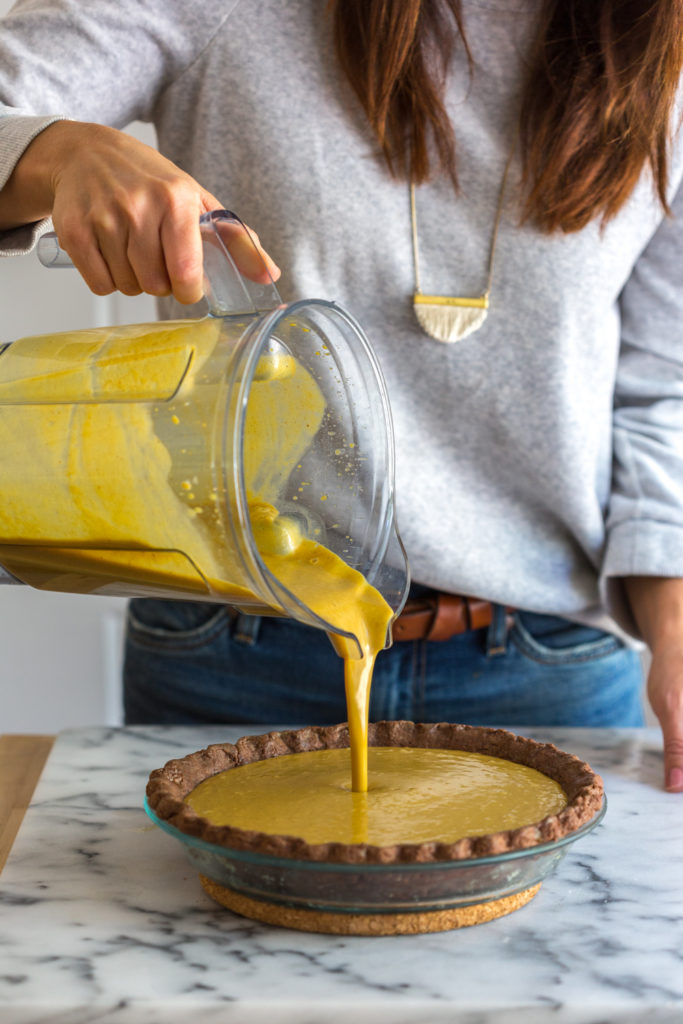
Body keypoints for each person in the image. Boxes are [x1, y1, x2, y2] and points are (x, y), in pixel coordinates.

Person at [0, 0, 682, 793]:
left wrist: (672, 628)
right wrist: (63, 151)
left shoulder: (662, 55)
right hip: (233, 649)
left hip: (550, 666)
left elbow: (657, 392)